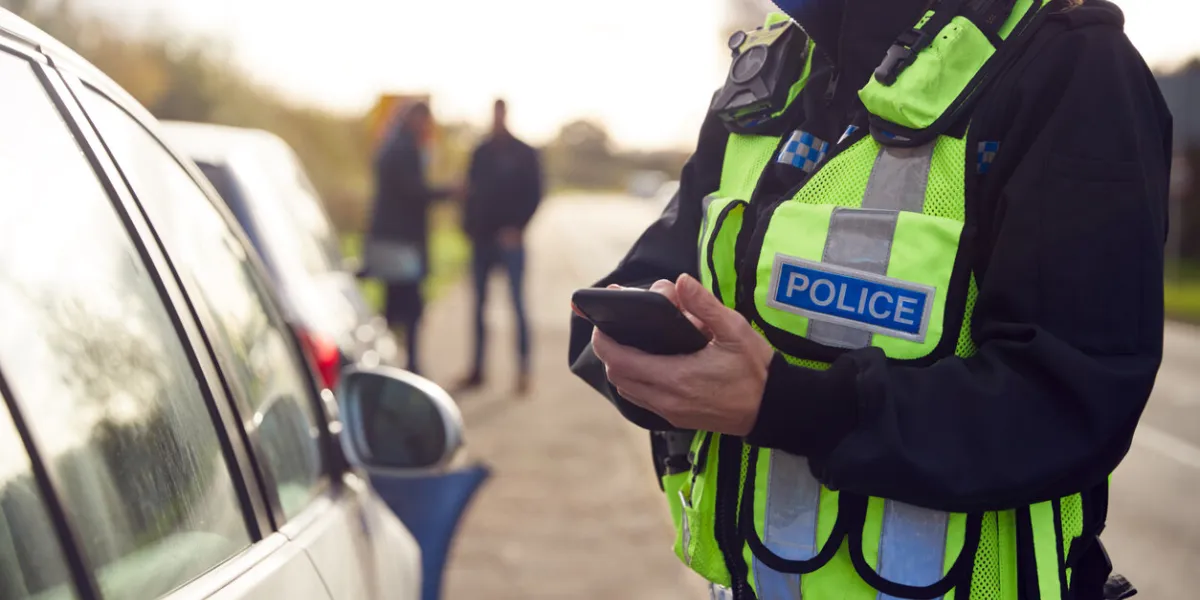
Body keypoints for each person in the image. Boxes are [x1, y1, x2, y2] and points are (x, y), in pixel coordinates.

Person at [568, 1, 1168, 599]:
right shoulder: (772, 66)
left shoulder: (1070, 64)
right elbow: (653, 273)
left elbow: (1070, 401)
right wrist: (645, 354)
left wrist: (783, 403)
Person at [459, 99, 543, 394]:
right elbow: (468, 191)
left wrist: (518, 228)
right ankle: (478, 370)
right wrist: (467, 228)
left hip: (511, 241)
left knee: (517, 306)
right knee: (478, 307)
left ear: (506, 114)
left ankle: (523, 371)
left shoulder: (524, 153)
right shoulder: (480, 152)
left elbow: (535, 194)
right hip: (482, 239)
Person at [366, 102, 454, 375]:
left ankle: (389, 365)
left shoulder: (391, 144)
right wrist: (449, 192)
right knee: (409, 308)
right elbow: (414, 192)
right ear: (417, 120)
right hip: (401, 243)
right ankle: (407, 367)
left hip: (391, 240)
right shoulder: (405, 148)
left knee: (395, 305)